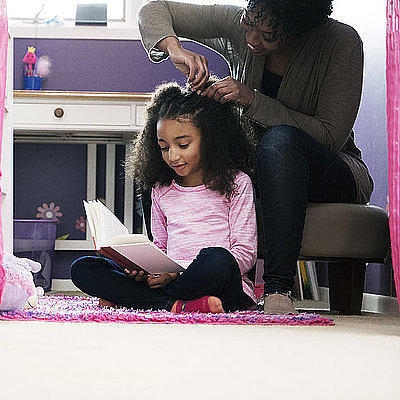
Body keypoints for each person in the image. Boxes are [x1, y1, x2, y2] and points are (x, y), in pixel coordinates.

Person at [137, 0, 373, 314]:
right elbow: (154, 9)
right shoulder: (242, 25)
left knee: (279, 143)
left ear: (300, 33)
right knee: (164, 155)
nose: (252, 39)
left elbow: (330, 136)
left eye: (268, 35)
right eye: (249, 25)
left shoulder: (341, 42)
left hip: (332, 171)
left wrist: (252, 100)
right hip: (258, 168)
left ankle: (278, 289)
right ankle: (163, 279)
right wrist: (175, 49)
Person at [71, 81, 257, 313]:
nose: (173, 156)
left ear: (211, 139)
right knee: (84, 268)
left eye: (183, 144)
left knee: (218, 258)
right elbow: (160, 248)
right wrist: (145, 270)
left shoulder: (237, 183)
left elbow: (245, 254)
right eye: (164, 147)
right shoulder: (161, 189)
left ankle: (142, 301)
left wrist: (179, 273)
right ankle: (175, 305)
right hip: (172, 283)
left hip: (219, 283)